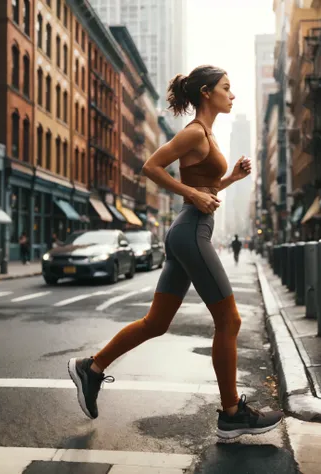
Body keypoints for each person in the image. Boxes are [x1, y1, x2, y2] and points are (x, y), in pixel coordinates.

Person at [68, 65, 283, 439]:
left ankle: (92, 367)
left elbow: (206, 188)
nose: (232, 95)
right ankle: (232, 412)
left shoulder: (208, 136)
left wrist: (230, 179)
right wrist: (192, 194)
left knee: (156, 322)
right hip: (190, 234)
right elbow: (151, 167)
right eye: (226, 88)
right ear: (206, 93)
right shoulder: (194, 133)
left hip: (188, 231)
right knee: (229, 321)